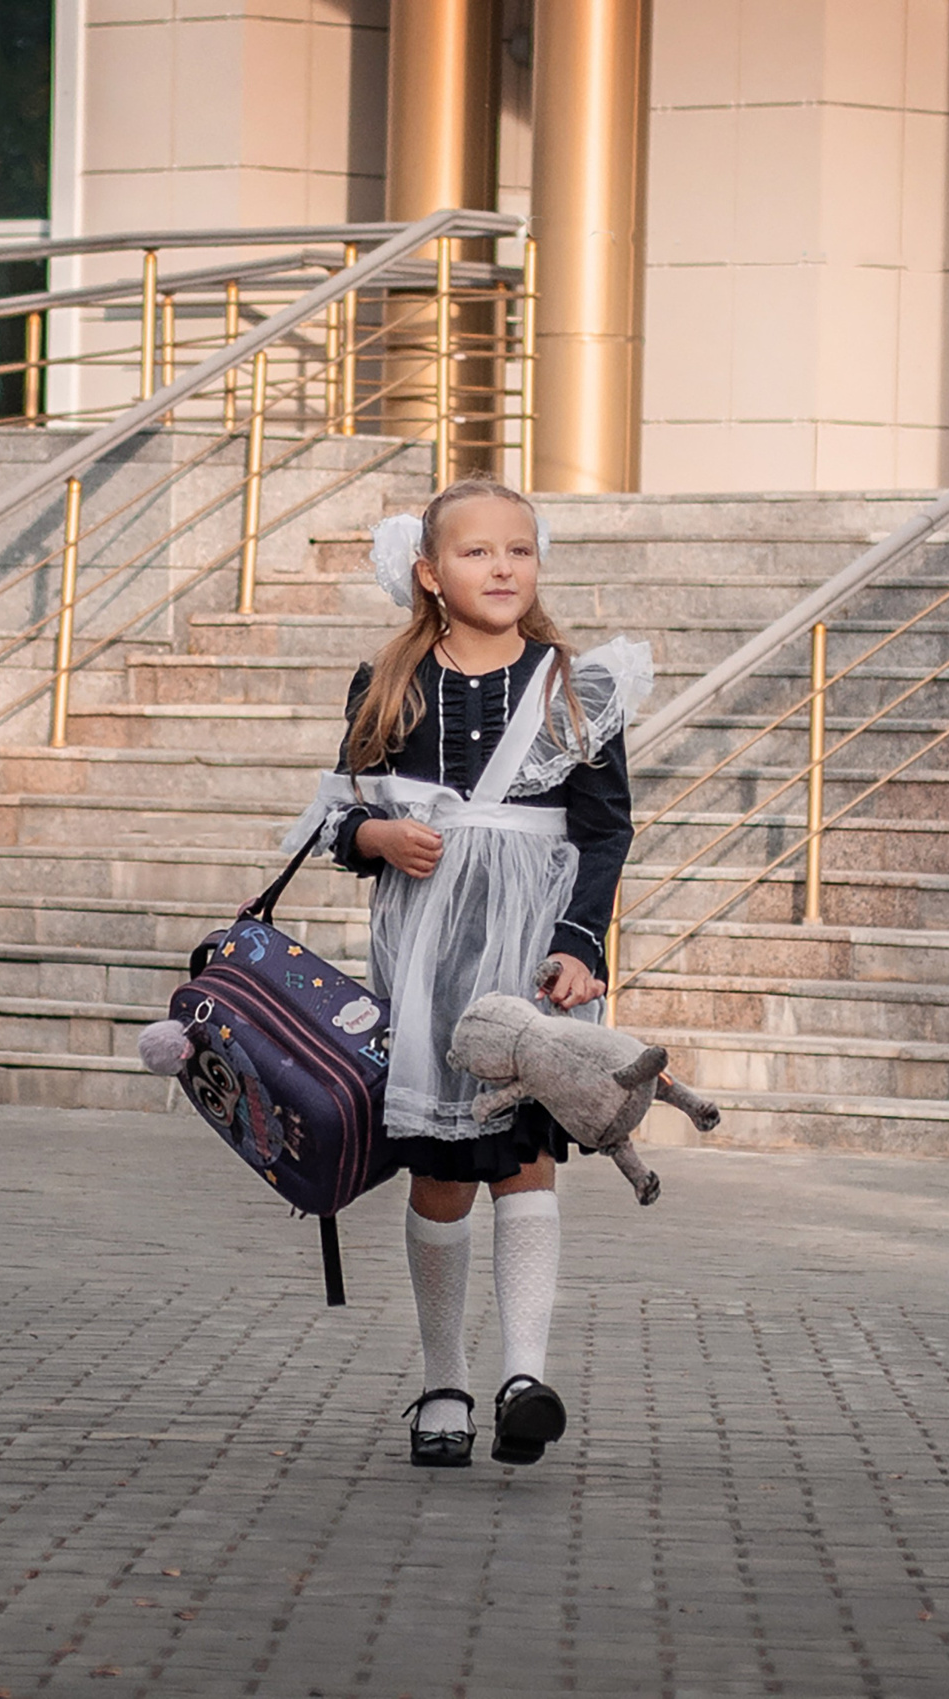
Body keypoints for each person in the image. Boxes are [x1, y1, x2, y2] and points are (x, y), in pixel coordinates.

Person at [285, 478, 650, 1468]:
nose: (501, 568)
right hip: (431, 964)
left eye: (518, 551)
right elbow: (337, 818)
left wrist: (580, 944)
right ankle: (443, 1380)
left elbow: (604, 830)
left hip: (534, 958)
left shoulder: (574, 684)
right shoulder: (389, 683)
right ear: (429, 572)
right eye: (477, 551)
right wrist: (375, 835)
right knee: (444, 1171)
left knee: (526, 1153)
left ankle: (523, 1378)